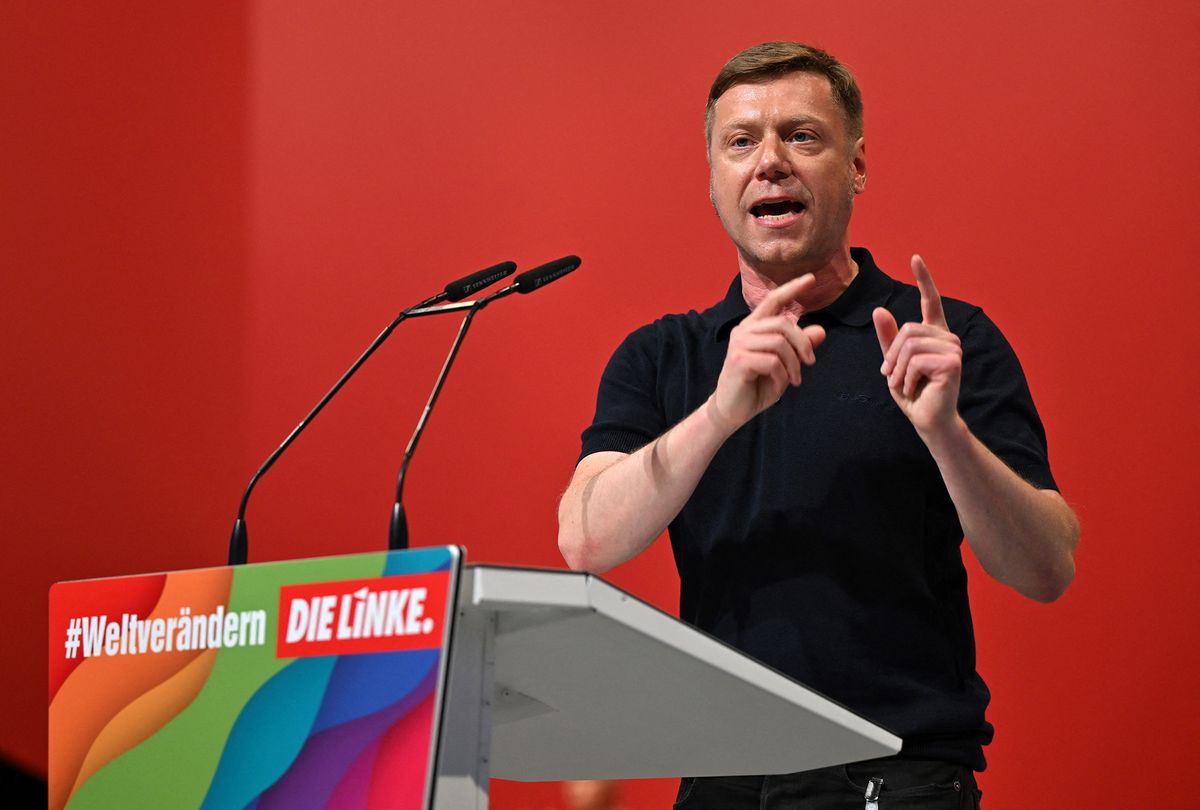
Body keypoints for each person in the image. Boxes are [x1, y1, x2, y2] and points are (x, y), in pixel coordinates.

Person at [557, 41, 1079, 809]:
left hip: (895, 778)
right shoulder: (663, 358)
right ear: (713, 180)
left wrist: (945, 433)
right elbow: (585, 538)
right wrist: (720, 411)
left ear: (857, 166)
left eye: (801, 136)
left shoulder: (939, 340)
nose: (769, 161)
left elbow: (1047, 567)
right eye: (741, 142)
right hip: (720, 781)